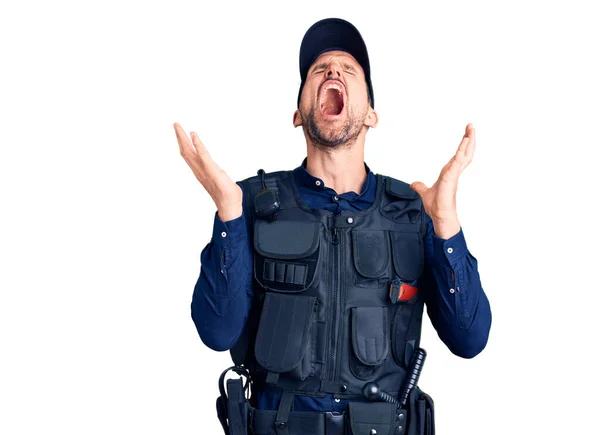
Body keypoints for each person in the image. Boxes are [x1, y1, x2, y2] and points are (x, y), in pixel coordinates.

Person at [174, 17, 491, 435]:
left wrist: (446, 223)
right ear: (297, 114)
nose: (333, 71)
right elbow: (217, 332)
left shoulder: (416, 212)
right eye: (318, 70)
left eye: (349, 69)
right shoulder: (249, 202)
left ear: (372, 115)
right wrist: (229, 213)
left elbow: (469, 339)